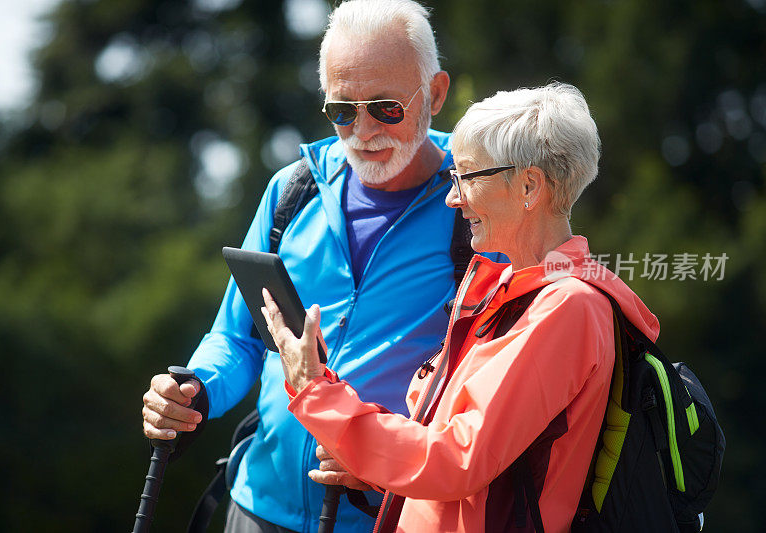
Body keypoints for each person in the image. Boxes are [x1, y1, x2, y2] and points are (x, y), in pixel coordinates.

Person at [141, 1, 491, 532]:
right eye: (342, 110)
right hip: (257, 506)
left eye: (386, 109)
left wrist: (384, 460)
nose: (364, 129)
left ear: (437, 93)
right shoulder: (291, 190)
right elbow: (238, 338)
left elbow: (495, 388)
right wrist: (193, 388)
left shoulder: (477, 204)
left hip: (388, 518)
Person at [262, 82, 661, 533]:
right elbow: (467, 459)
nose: (454, 198)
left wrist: (315, 391)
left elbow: (458, 458)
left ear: (529, 186)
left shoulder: (567, 307)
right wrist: (374, 466)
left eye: (466, 177)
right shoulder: (516, 291)